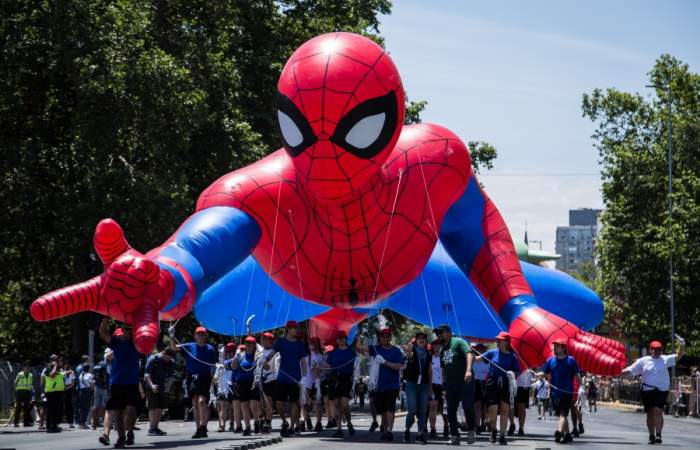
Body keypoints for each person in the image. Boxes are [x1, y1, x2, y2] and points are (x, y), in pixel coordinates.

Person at [621, 338, 685, 444]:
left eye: (659, 349)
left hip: (662, 390)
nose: (657, 351)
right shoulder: (643, 361)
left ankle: (658, 434)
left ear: (661, 350)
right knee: (650, 413)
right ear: (650, 350)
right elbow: (630, 370)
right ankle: (651, 434)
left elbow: (679, 355)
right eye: (654, 349)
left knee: (658, 411)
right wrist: (615, 371)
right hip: (647, 390)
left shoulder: (665, 359)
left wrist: (682, 344)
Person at [357, 328, 406, 441]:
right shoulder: (376, 349)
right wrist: (361, 335)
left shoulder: (396, 351)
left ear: (390, 337)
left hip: (392, 385)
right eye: (383, 336)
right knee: (383, 410)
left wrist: (384, 362)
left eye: (388, 336)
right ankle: (385, 430)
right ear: (380, 338)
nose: (385, 338)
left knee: (390, 408)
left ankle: (389, 431)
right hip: (379, 385)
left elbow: (399, 366)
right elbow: (359, 347)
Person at [99, 320, 142, 448]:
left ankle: (129, 430)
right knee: (117, 411)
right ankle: (121, 437)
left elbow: (152, 339)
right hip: (117, 382)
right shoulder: (115, 343)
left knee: (131, 409)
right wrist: (105, 318)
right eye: (126, 329)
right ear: (122, 330)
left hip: (132, 382)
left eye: (130, 329)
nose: (128, 331)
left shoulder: (137, 342)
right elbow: (102, 332)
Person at [171, 325, 218, 439]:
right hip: (192, 377)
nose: (201, 336)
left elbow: (213, 365)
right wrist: (171, 335)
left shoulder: (210, 349)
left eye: (202, 334)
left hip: (205, 377)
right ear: (195, 336)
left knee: (202, 402)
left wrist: (215, 379)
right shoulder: (189, 346)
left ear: (205, 336)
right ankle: (198, 428)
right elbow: (174, 347)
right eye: (199, 334)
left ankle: (203, 426)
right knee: (195, 402)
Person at [263, 320, 308, 437]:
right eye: (295, 328)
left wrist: (304, 377)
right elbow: (272, 353)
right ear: (288, 329)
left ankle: (292, 427)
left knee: (294, 403)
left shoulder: (300, 345)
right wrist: (264, 360)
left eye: (297, 328)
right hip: (282, 377)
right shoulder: (281, 342)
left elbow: (303, 362)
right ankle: (284, 421)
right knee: (278, 402)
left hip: (295, 378)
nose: (297, 330)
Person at [434, 324, 475, 446]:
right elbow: (443, 369)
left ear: (449, 333)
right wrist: (444, 385)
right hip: (451, 384)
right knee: (450, 410)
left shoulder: (458, 342)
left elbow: (469, 354)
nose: (439, 335)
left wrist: (468, 370)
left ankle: (471, 430)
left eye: (441, 332)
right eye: (437, 333)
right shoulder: (442, 350)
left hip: (465, 381)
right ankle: (454, 436)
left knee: (467, 406)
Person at [478, 331, 521, 445]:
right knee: (492, 410)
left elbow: (517, 372)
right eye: (497, 339)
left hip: (506, 384)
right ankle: (493, 430)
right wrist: (468, 352)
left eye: (499, 340)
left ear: (506, 342)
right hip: (492, 383)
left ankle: (502, 435)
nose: (497, 341)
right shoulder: (492, 353)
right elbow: (478, 358)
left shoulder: (512, 357)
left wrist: (512, 374)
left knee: (504, 410)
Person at [543, 338, 581, 444]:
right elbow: (545, 373)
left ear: (563, 348)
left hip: (567, 392)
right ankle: (568, 435)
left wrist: (581, 387)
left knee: (563, 414)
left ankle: (559, 432)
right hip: (554, 393)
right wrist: (543, 377)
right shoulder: (550, 361)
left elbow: (577, 375)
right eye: (554, 345)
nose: (554, 347)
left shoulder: (571, 360)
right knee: (560, 415)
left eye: (557, 346)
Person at [325, 330, 358, 438]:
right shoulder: (333, 353)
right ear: (336, 340)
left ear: (345, 339)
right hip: (334, 380)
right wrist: (320, 367)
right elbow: (328, 366)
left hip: (346, 380)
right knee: (336, 404)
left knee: (344, 404)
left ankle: (349, 422)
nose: (340, 340)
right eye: (338, 338)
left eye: (342, 338)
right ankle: (339, 429)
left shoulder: (351, 352)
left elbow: (355, 366)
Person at [228, 336, 263, 435]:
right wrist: (235, 356)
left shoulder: (257, 355)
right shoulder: (240, 355)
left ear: (254, 345)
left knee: (253, 404)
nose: (248, 345)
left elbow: (266, 367)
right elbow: (233, 367)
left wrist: (262, 360)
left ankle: (256, 421)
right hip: (242, 382)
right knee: (244, 405)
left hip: (253, 382)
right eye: (247, 343)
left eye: (250, 344)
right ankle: (247, 427)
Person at [402, 331, 432, 444]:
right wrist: (409, 351)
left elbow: (429, 370)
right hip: (411, 384)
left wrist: (430, 386)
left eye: (423, 338)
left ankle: (420, 434)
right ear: (416, 340)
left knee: (423, 411)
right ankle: (407, 430)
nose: (421, 339)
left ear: (425, 341)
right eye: (419, 338)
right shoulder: (413, 351)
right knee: (412, 410)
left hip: (424, 385)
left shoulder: (428, 354)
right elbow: (410, 355)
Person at [144, 347, 175, 436]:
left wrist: (168, 388)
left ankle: (156, 427)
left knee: (160, 407)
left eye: (170, 358)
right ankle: (151, 428)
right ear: (163, 353)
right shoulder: (153, 359)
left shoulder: (170, 362)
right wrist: (152, 385)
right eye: (167, 357)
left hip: (163, 386)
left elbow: (172, 376)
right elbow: (147, 374)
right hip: (152, 385)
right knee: (153, 407)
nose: (168, 360)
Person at [301, 337, 324, 433]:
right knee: (303, 402)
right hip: (305, 382)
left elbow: (323, 367)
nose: (311, 345)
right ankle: (306, 418)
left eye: (313, 343)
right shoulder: (305, 355)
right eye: (310, 343)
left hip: (315, 382)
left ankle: (319, 423)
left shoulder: (319, 356)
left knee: (317, 403)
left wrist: (319, 368)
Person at [260, 332, 278, 434]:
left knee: (268, 402)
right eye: (262, 338)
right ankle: (262, 420)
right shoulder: (260, 351)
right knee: (261, 403)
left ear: (270, 341)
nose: (263, 340)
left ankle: (268, 422)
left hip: (270, 379)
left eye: (265, 338)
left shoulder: (274, 352)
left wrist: (264, 362)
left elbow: (268, 367)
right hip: (260, 379)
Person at [428, 339, 447, 439]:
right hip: (433, 385)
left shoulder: (446, 358)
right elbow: (428, 374)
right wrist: (430, 387)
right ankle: (433, 428)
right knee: (433, 407)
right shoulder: (430, 358)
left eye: (438, 345)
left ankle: (446, 426)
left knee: (444, 409)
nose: (436, 346)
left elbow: (447, 372)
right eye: (434, 345)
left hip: (443, 385)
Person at [215, 343, 235, 432]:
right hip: (223, 387)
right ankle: (222, 425)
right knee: (223, 405)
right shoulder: (221, 363)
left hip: (233, 386)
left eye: (232, 351)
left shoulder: (236, 361)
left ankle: (232, 422)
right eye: (228, 351)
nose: (230, 353)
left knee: (232, 407)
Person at [44, 356, 65, 433]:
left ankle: (54, 425)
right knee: (51, 410)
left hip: (59, 392)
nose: (58, 362)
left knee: (56, 410)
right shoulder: (48, 369)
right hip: (51, 392)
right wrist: (55, 366)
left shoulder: (59, 370)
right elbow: (52, 375)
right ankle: (49, 426)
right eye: (55, 361)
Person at [471, 343, 488, 435]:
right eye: (479, 349)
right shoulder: (473, 360)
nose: (481, 350)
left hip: (486, 383)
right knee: (477, 405)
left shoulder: (488, 360)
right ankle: (477, 425)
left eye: (483, 349)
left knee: (485, 406)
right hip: (476, 383)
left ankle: (484, 422)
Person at [91, 350, 110, 430]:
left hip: (97, 387)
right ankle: (104, 423)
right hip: (104, 388)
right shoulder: (105, 366)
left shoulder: (96, 366)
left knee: (95, 406)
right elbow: (106, 377)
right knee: (105, 406)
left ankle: (94, 424)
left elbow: (94, 378)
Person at [509, 370, 532, 436]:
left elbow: (533, 367)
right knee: (510, 406)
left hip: (523, 384)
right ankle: (512, 424)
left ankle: (521, 428)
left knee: (521, 407)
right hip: (510, 383)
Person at [14, 363, 34, 427]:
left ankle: (26, 423)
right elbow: (15, 383)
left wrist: (30, 394)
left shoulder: (31, 375)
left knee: (26, 408)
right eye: (26, 367)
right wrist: (16, 391)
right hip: (20, 392)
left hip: (27, 392)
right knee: (18, 408)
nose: (27, 369)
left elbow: (30, 385)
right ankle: (16, 423)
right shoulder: (20, 374)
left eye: (28, 368)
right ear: (23, 368)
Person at [77, 363, 94, 428]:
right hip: (87, 391)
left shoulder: (81, 374)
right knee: (86, 407)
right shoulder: (89, 375)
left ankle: (80, 422)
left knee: (81, 407)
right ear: (88, 368)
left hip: (81, 391)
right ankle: (83, 422)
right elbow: (91, 384)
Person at [62, 361, 76, 428]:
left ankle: (71, 422)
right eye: (65, 364)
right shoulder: (61, 371)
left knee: (69, 406)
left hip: (69, 389)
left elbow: (73, 383)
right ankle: (61, 420)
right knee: (61, 406)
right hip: (62, 389)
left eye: (67, 365)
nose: (66, 366)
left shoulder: (72, 372)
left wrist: (67, 387)